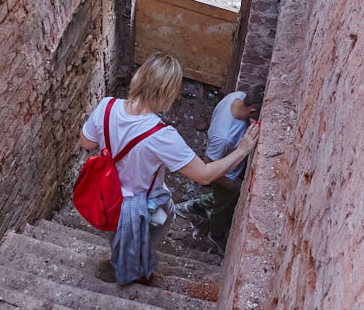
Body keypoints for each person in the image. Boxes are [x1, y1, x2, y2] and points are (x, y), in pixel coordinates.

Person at [79, 53, 260, 285]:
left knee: (119, 233)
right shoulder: (162, 136)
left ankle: (121, 258)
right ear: (167, 93)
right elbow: (204, 175)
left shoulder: (106, 106)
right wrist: (242, 150)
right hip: (147, 206)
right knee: (157, 225)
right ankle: (136, 269)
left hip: (108, 199)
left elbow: (87, 143)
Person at [181, 85, 263, 253]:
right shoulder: (223, 137)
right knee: (223, 208)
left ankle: (198, 205)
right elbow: (207, 165)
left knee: (222, 200)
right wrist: (230, 185)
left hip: (231, 169)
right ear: (253, 112)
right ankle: (216, 234)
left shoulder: (237, 96)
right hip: (224, 176)